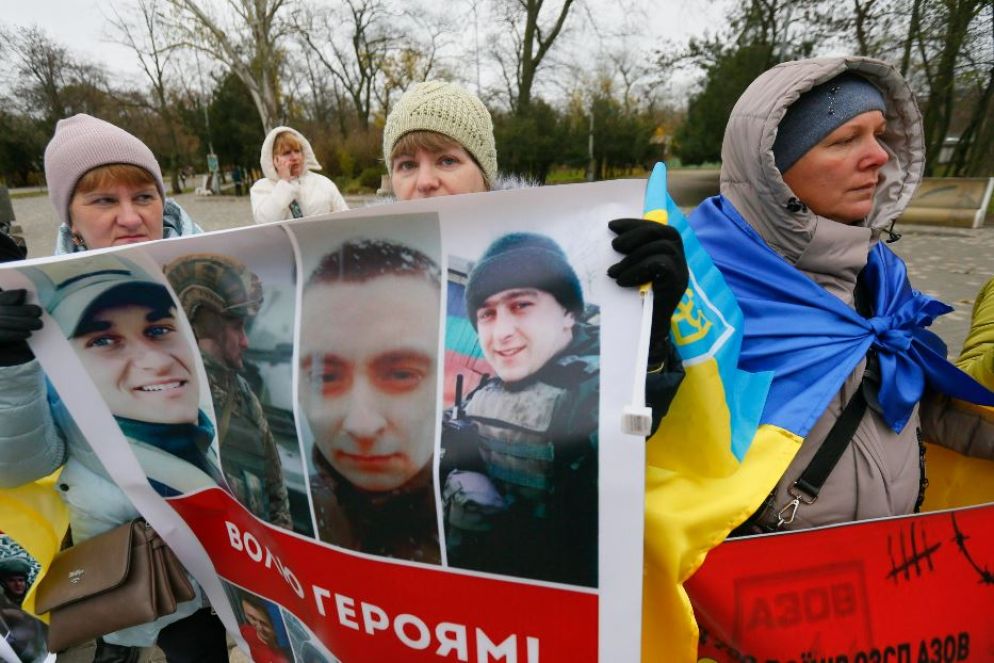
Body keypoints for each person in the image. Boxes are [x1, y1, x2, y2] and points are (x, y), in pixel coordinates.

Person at [683, 56, 994, 533]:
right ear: (773, 168)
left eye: (879, 134)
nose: (878, 156)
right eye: (845, 140)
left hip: (891, 559)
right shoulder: (699, 284)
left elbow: (911, 403)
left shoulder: (880, 276)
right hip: (764, 579)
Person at [0, 114, 228, 661]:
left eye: (144, 195)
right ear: (70, 218)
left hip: (246, 530)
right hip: (153, 554)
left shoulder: (221, 274)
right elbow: (22, 466)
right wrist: (10, 366)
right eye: (103, 201)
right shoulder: (36, 306)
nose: (130, 217)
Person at [440, 232, 601, 586]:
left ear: (568, 314)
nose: (502, 334)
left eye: (521, 306)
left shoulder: (602, 388)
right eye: (487, 315)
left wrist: (656, 364)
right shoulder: (489, 390)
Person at [298, 239, 441, 563]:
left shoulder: (497, 523)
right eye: (326, 377)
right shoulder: (289, 511)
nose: (362, 425)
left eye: (402, 375)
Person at [164, 253, 292, 528]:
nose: (245, 341)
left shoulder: (242, 389)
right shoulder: (175, 388)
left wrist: (282, 534)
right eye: (237, 328)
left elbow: (273, 477)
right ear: (209, 327)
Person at [250, 127, 348, 224]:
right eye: (287, 153)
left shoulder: (323, 183)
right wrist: (284, 183)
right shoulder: (262, 188)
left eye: (297, 151)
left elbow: (346, 218)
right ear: (274, 159)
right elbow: (265, 222)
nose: (294, 157)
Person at [239, 595, 290, 663]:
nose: (259, 627)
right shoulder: (246, 631)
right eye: (253, 619)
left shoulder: (281, 658)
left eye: (265, 624)